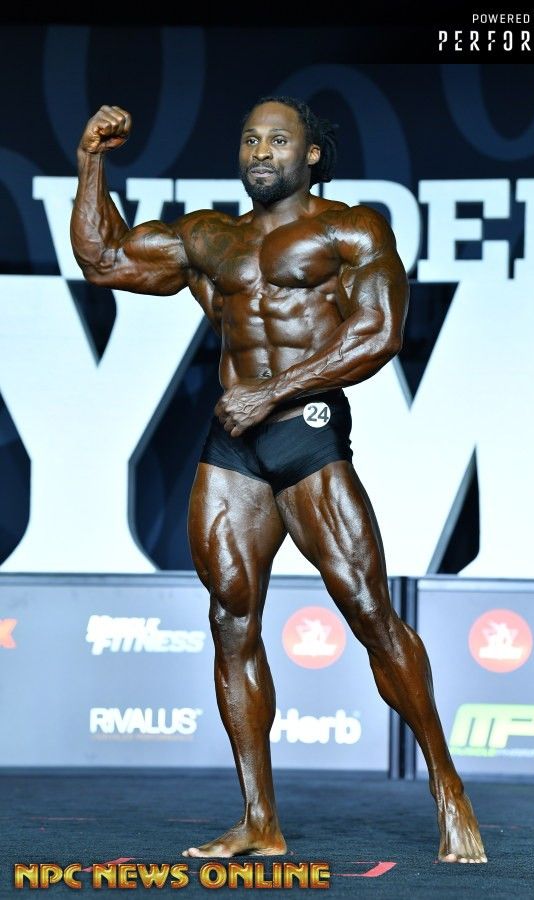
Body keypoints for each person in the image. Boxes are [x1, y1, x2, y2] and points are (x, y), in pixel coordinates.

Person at [70, 96, 487, 864]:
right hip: (234, 444)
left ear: (311, 154)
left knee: (370, 613)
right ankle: (259, 821)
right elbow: (103, 260)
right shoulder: (210, 237)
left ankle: (447, 784)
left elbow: (380, 333)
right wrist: (91, 160)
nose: (261, 151)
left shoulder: (350, 230)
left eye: (278, 140)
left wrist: (275, 391)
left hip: (307, 433)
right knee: (230, 621)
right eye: (250, 139)